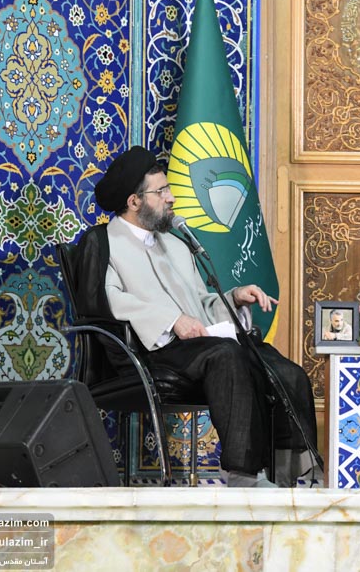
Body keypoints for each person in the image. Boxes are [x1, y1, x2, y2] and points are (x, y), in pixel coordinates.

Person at [93, 146, 321, 488]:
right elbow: (107, 299)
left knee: (280, 367)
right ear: (134, 201)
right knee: (227, 354)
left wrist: (234, 297)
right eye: (161, 191)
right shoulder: (103, 244)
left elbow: (200, 302)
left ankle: (295, 474)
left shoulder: (174, 244)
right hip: (149, 350)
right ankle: (243, 474)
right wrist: (172, 320)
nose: (171, 198)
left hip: (196, 347)